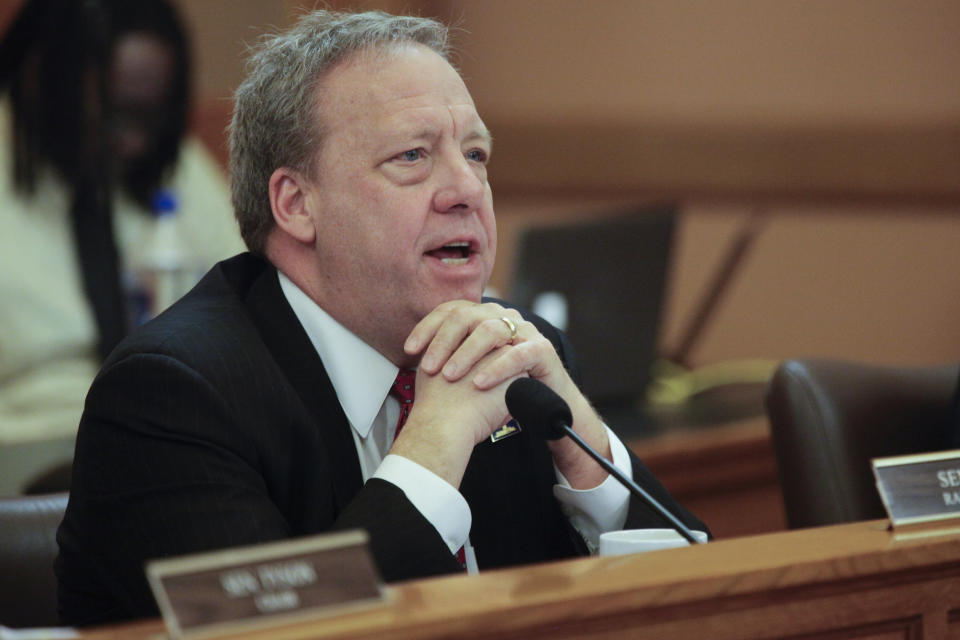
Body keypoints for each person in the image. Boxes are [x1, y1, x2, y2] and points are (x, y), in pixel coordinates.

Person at [56, 9, 708, 626]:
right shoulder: (171, 398)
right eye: (412, 157)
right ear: (296, 204)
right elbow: (266, 632)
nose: (465, 191)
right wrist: (431, 450)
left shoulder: (512, 355)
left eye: (476, 155)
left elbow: (712, 601)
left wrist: (585, 451)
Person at [0, 0, 242, 445]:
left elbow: (252, 316)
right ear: (44, 83)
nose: (133, 143)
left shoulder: (174, 164)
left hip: (174, 435)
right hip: (27, 450)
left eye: (150, 118)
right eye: (111, 116)